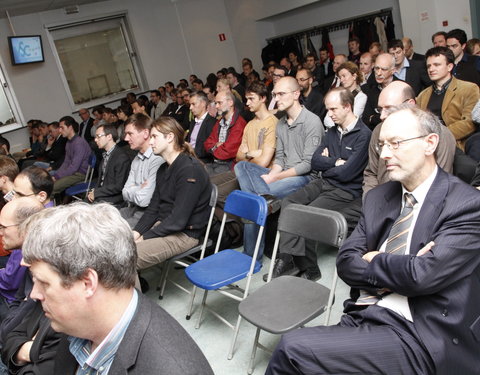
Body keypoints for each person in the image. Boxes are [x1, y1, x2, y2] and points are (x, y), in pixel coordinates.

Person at [266, 106, 480, 375]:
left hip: (420, 332)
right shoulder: (381, 197)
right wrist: (404, 265)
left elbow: (422, 277)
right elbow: (346, 262)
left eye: (396, 143)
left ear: (430, 143)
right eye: (382, 146)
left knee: (292, 349)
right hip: (367, 313)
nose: (385, 154)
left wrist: (375, 258)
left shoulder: (466, 204)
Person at [20, 203, 214, 375]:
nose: (34, 294)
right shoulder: (80, 322)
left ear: (87, 283)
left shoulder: (172, 368)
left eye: (44, 283)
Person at [270, 87, 371, 281]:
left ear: (348, 106)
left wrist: (330, 163)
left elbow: (348, 173)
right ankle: (288, 258)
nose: (329, 114)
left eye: (333, 109)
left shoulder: (364, 135)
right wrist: (335, 161)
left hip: (345, 190)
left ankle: (310, 270)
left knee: (308, 217)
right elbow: (315, 161)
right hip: (323, 182)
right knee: (288, 202)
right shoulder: (332, 132)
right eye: (327, 109)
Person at [133, 117, 211, 272]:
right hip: (166, 227)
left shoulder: (190, 169)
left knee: (126, 259)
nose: (150, 142)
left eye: (154, 137)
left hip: (185, 234)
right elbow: (153, 209)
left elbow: (178, 220)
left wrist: (144, 237)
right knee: (120, 248)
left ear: (170, 137)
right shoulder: (163, 169)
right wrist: (136, 233)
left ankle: (136, 296)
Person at [363, 81, 456, 195]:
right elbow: (371, 173)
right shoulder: (379, 130)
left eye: (389, 108)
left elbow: (439, 184)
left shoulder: (440, 134)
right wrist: (371, 203)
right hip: (380, 200)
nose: (382, 116)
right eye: (380, 109)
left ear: (411, 104)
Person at [417, 47, 479, 151]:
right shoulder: (423, 95)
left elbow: (469, 123)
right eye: (429, 66)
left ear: (449, 66)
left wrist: (439, 136)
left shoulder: (469, 89)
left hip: (456, 145)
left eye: (437, 65)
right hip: (428, 146)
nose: (431, 69)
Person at [0, 197, 43, 321]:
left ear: (27, 227)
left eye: (4, 227)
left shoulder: (40, 260)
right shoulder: (28, 248)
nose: (1, 233)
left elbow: (10, 282)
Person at [120, 114, 164, 228]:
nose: (126, 138)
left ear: (145, 133)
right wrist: (139, 188)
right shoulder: (136, 159)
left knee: (112, 231)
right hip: (134, 208)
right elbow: (124, 192)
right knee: (104, 220)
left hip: (150, 212)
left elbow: (144, 200)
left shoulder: (157, 159)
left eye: (130, 134)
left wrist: (133, 188)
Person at [203, 91, 246, 175]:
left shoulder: (239, 123)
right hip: (215, 163)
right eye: (215, 103)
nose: (216, 106)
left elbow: (227, 152)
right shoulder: (219, 122)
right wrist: (216, 145)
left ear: (230, 103)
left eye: (219, 103)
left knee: (205, 181)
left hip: (229, 166)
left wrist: (214, 147)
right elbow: (207, 144)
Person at [87, 124, 131, 205]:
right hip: (103, 194)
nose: (96, 140)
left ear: (109, 137)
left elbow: (119, 186)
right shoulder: (105, 154)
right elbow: (101, 180)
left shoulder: (121, 157)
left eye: (98, 136)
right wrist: (94, 191)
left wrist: (97, 192)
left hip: (114, 198)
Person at [51, 116, 91, 196]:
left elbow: (74, 167)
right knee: (49, 181)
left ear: (70, 127)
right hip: (74, 172)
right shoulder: (69, 143)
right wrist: (56, 175)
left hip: (80, 174)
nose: (60, 130)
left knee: (52, 188)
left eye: (62, 128)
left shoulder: (78, 143)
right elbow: (66, 162)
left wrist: (57, 177)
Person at [324, 62, 367, 128]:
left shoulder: (361, 97)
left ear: (354, 76)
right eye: (340, 77)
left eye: (344, 76)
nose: (341, 80)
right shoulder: (338, 94)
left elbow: (351, 121)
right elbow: (326, 120)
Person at [185, 91, 217, 163]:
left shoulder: (212, 122)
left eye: (193, 104)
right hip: (190, 158)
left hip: (202, 161)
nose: (190, 108)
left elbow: (209, 148)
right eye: (190, 105)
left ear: (203, 103)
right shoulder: (193, 122)